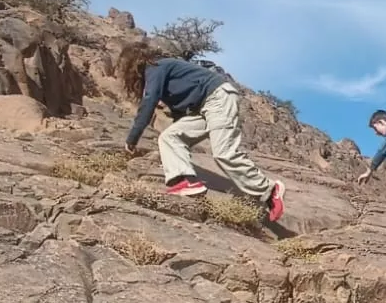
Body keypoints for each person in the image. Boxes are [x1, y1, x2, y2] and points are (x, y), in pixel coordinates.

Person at [118, 45, 286, 221]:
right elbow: (180, 116)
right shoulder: (164, 72)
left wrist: (132, 139)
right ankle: (185, 181)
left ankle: (269, 190)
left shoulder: (156, 67)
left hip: (217, 98)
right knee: (170, 137)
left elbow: (149, 101)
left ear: (134, 64)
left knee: (223, 153)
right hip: (204, 107)